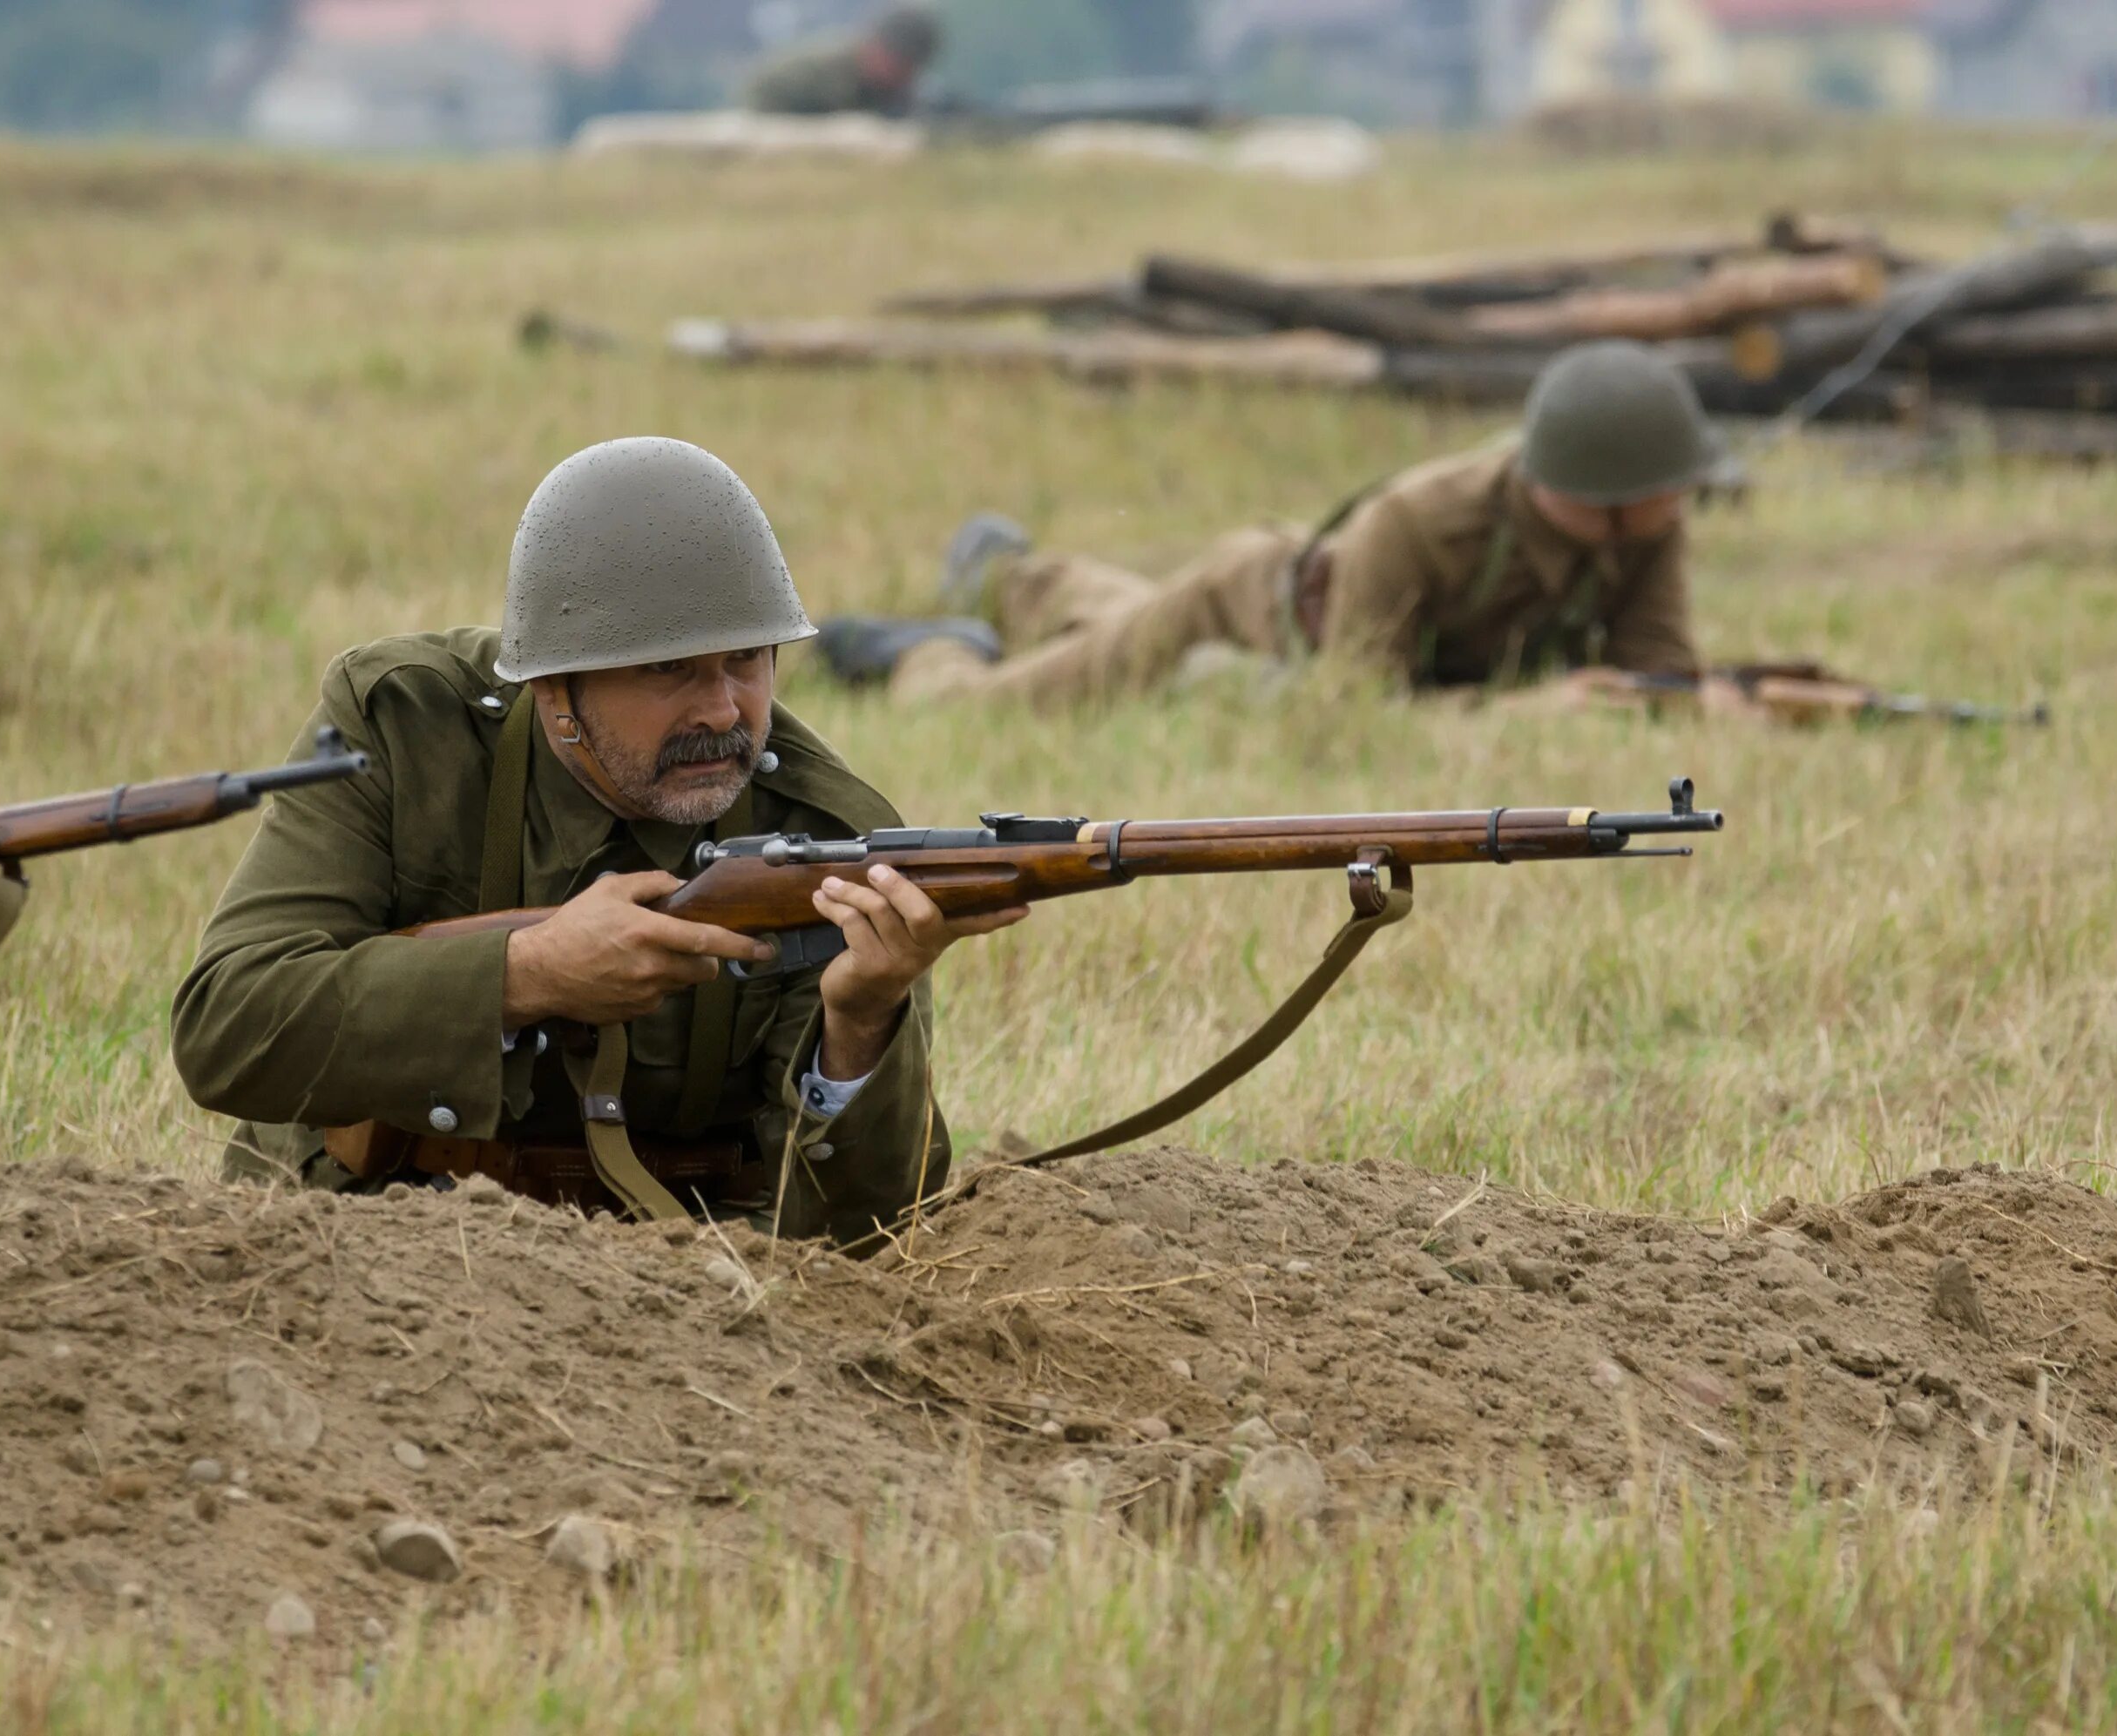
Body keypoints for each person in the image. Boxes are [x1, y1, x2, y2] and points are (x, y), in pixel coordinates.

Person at [172, 438, 1024, 1240]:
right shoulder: (401, 729)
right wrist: (527, 973)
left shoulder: (819, 834)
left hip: (662, 1312)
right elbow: (226, 1028)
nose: (724, 710)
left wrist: (864, 1021)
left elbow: (866, 1239)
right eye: (671, 669)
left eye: (747, 661)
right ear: (552, 689)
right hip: (351, 1249)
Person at [817, 341, 1722, 707]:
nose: (1677, 506)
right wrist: (1534, 711)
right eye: (1659, 492)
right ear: (1597, 493)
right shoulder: (1417, 520)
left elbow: (1661, 676)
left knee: (1104, 611)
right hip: (1247, 604)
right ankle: (926, 652)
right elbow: (1362, 705)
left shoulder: (1643, 523)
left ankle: (1012, 575)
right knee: (1011, 702)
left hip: (1291, 614)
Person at [743, 5, 941, 118]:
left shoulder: (895, 91)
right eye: (898, 65)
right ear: (876, 47)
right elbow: (757, 103)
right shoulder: (813, 71)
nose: (902, 76)